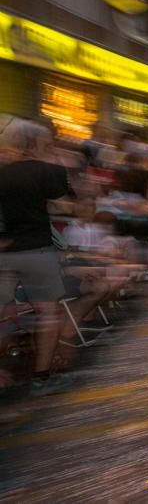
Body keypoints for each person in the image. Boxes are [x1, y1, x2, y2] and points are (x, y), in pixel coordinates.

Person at [0, 118, 73, 396]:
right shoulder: (46, 170)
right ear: (35, 143)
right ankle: (42, 377)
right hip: (37, 251)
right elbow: (65, 202)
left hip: (4, 252)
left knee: (3, 314)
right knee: (47, 314)